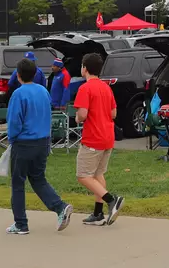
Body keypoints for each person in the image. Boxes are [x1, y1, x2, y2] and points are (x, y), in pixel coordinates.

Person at [6, 58, 74, 235]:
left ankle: (21, 223)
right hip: (43, 141)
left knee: (18, 182)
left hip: (24, 142)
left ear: (18, 75)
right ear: (36, 74)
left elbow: (14, 121)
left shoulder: (19, 94)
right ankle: (60, 207)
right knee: (38, 178)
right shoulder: (44, 91)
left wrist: (12, 138)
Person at [73, 52, 123, 227]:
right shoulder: (106, 88)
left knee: (83, 176)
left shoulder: (85, 89)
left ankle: (112, 200)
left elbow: (83, 114)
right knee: (97, 174)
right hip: (107, 137)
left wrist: (78, 118)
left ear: (84, 68)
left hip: (93, 138)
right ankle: (97, 213)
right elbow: (113, 113)